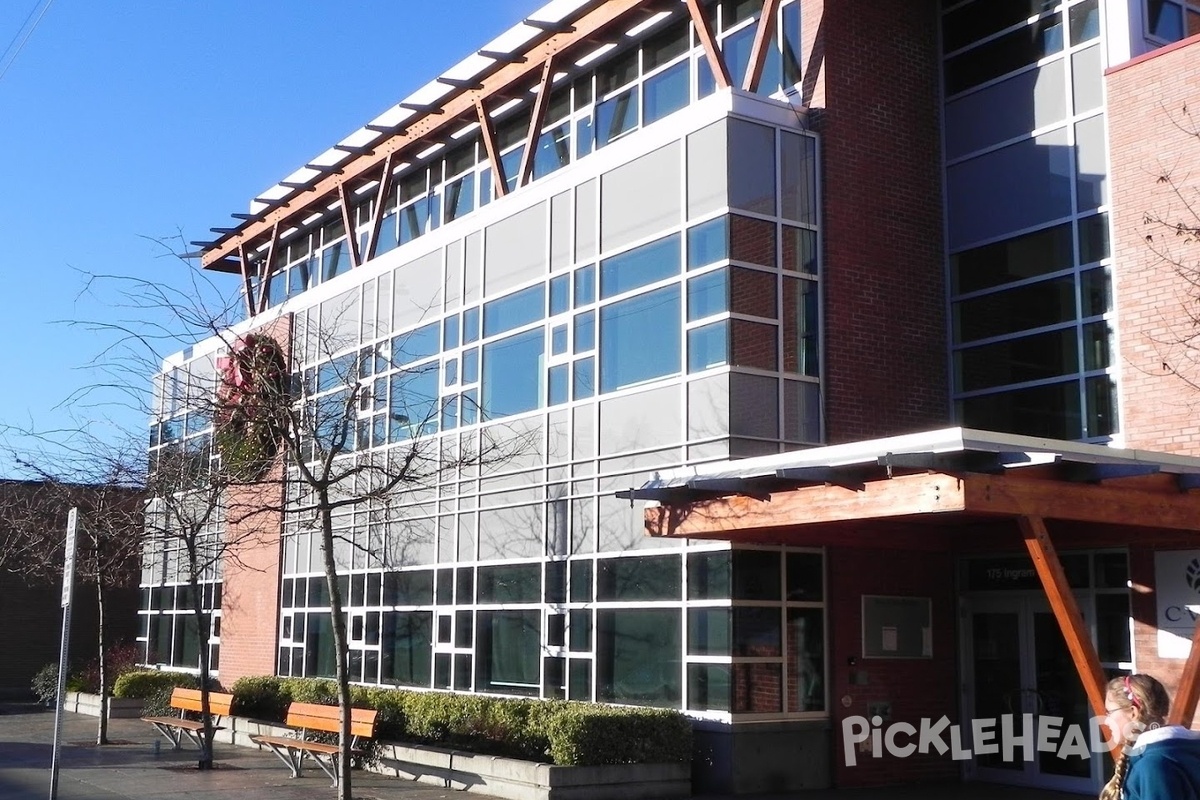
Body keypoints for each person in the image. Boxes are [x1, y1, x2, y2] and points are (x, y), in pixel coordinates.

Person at [1100, 673, 1200, 800]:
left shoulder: (1152, 766)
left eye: (1109, 712)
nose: (1106, 721)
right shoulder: (1183, 749)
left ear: (1133, 712)